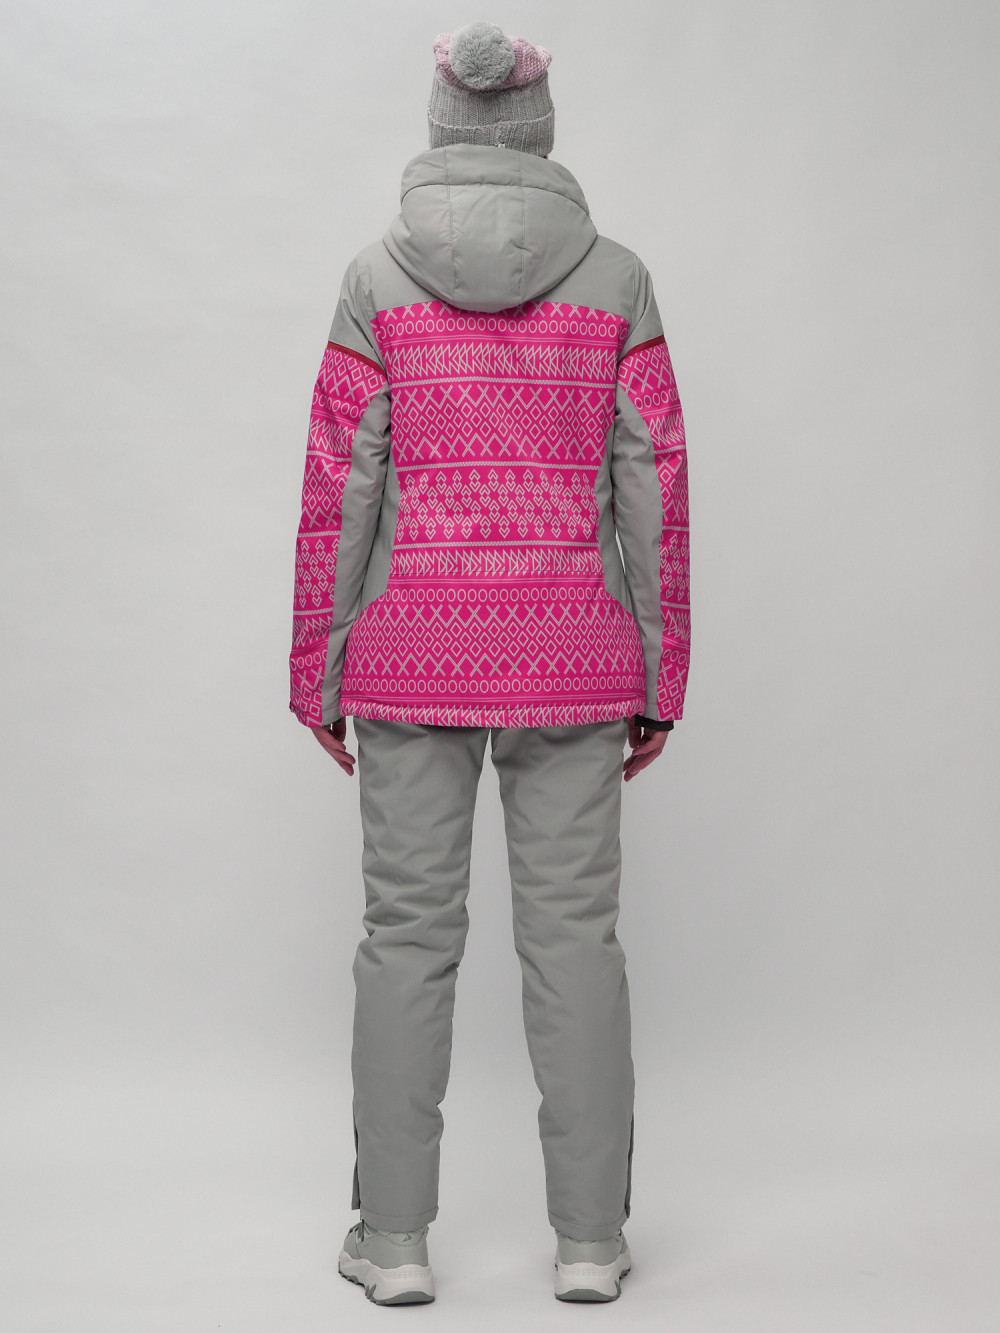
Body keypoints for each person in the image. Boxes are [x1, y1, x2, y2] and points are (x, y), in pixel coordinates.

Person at [287, 21, 691, 1306]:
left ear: (441, 128)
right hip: (575, 655)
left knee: (405, 938)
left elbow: (339, 483)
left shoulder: (375, 278)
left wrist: (317, 667)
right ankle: (589, 1242)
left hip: (409, 654)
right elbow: (654, 484)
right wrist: (660, 673)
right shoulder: (617, 280)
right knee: (575, 942)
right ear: (539, 133)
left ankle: (394, 1242)